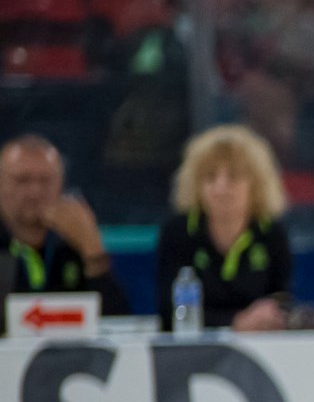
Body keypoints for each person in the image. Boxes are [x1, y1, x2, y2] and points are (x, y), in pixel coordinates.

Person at [154, 126, 294, 332]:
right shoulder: (178, 233)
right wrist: (235, 322)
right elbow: (170, 314)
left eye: (233, 177)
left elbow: (281, 301)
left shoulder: (271, 233)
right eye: (210, 177)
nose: (220, 188)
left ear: (256, 184)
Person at [0, 136, 130, 317]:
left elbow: (116, 320)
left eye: (45, 180)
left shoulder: (74, 241)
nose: (35, 192)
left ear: (61, 185)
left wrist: (92, 249)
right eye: (22, 180)